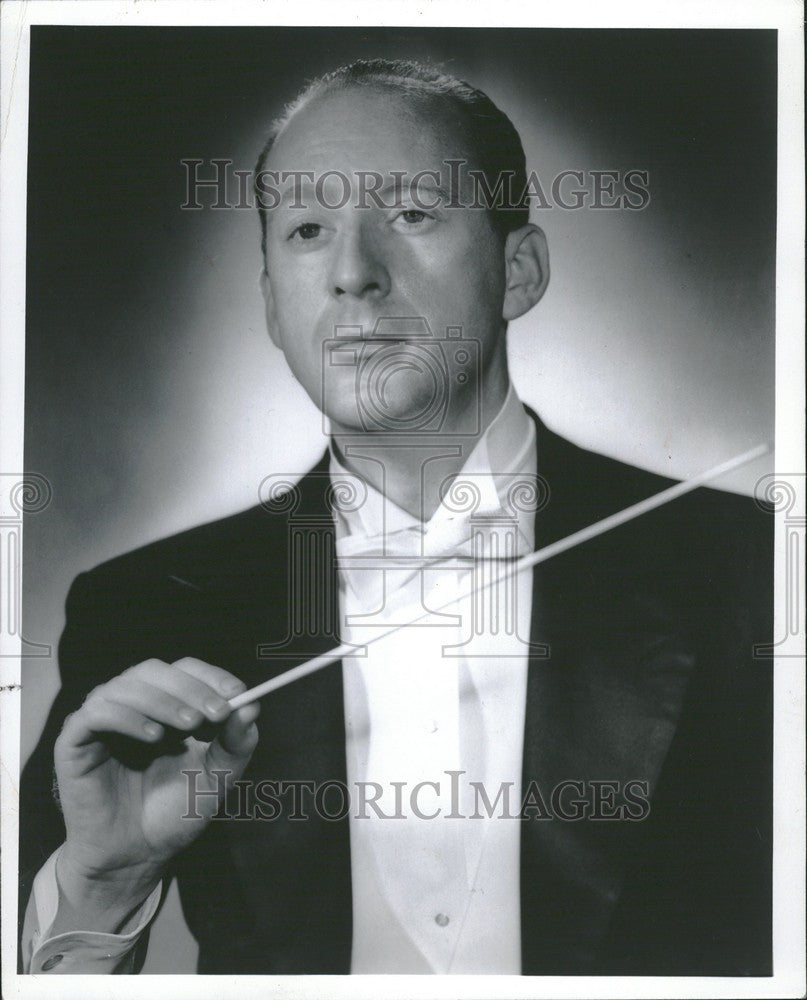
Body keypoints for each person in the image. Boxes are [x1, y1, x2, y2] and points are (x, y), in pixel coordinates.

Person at [19, 59, 772, 976]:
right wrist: (104, 883)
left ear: (519, 270)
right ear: (269, 306)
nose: (352, 274)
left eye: (412, 214)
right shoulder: (142, 607)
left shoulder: (748, 572)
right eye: (306, 230)